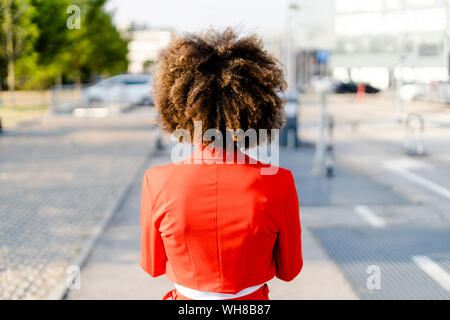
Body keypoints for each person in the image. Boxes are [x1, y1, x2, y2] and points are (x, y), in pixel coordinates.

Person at [140, 28, 302, 300]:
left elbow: (152, 266)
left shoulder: (157, 181)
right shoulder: (279, 181)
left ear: (179, 109)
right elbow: (289, 270)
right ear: (258, 108)